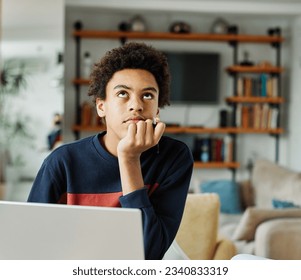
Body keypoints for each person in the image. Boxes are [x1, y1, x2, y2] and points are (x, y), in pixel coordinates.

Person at [27, 42, 194, 260]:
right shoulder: (63, 161)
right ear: (101, 106)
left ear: (157, 109)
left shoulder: (174, 157)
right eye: (123, 93)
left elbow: (149, 254)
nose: (136, 105)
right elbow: (30, 243)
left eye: (148, 95)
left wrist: (129, 159)